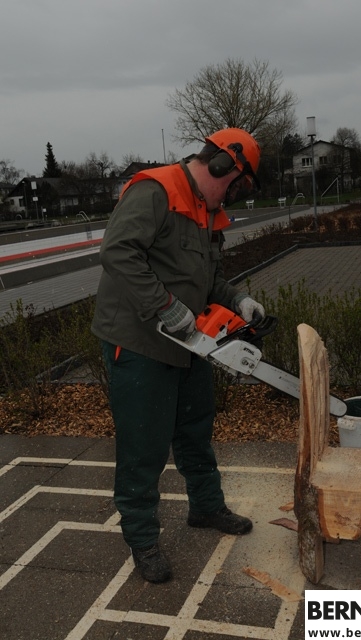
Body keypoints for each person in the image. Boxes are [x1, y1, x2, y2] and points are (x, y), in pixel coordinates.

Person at [91, 128, 265, 584]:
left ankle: (206, 506)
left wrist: (238, 300)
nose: (233, 196)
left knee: (195, 428)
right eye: (237, 186)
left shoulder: (207, 211)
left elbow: (206, 279)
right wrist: (166, 307)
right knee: (143, 445)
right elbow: (117, 253)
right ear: (224, 167)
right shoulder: (156, 191)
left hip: (188, 342)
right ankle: (142, 539)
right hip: (139, 341)